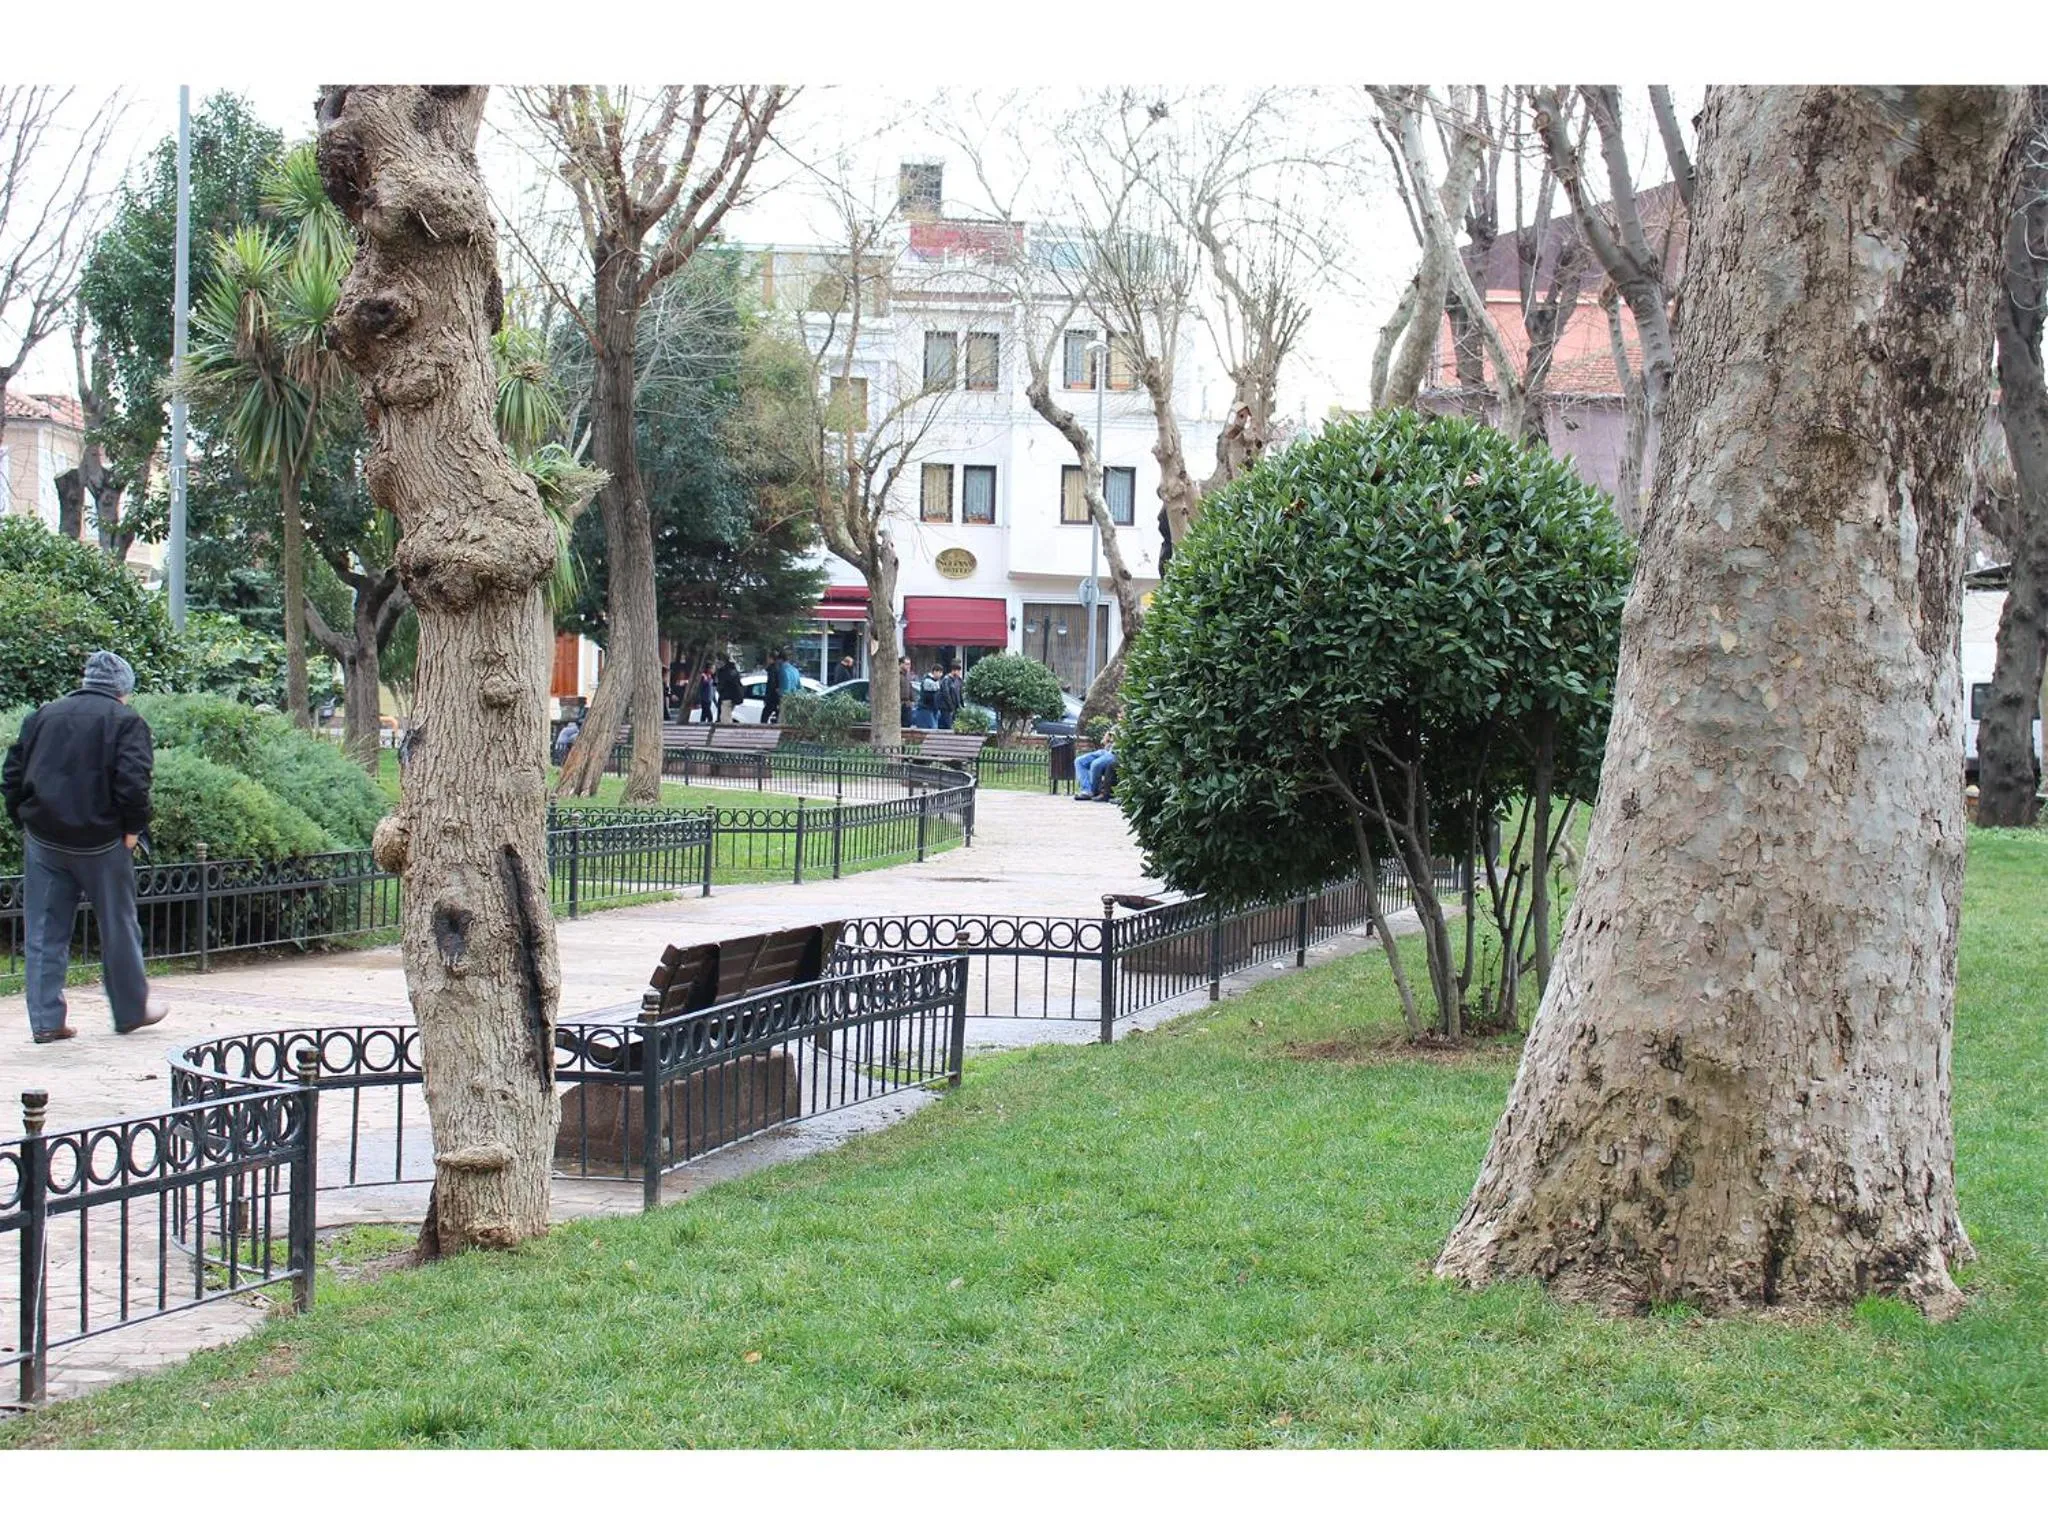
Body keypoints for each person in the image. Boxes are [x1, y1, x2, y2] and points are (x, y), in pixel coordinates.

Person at [2, 651, 169, 1043]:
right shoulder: (127, 721)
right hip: (103, 842)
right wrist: (133, 829)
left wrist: (23, 819)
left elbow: (12, 773)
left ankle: (46, 1021)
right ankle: (130, 1011)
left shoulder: (44, 715)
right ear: (123, 688)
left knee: (44, 931)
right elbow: (133, 782)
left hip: (45, 839)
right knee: (118, 927)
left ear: (86, 679)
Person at [1075, 727, 1118, 802]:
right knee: (1079, 761)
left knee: (1095, 764)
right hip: (1105, 751)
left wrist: (1116, 738)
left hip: (1115, 753)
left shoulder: (1128, 724)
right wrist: (1106, 739)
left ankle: (1093, 792)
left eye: (1121, 714)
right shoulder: (1115, 726)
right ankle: (1086, 790)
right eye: (1119, 714)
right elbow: (1104, 741)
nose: (1120, 715)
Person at [714, 656, 744, 724]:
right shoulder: (733, 670)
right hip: (732, 697)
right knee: (725, 717)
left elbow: (722, 685)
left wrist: (719, 687)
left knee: (725, 720)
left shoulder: (725, 672)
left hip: (726, 697)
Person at [913, 666, 943, 730]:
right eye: (939, 672)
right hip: (927, 709)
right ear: (934, 672)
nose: (941, 674)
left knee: (934, 728)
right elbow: (929, 697)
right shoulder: (928, 681)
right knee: (932, 729)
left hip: (933, 709)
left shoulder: (936, 681)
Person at [938, 663, 965, 731]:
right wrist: (951, 707)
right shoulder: (946, 680)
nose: (959, 673)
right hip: (947, 708)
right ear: (953, 671)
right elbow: (946, 695)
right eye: (958, 671)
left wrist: (961, 706)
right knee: (949, 727)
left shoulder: (958, 680)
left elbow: (960, 694)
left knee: (955, 726)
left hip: (955, 708)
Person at [762, 650, 784, 724]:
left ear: (771, 659)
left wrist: (767, 698)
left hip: (772, 698)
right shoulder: (780, 668)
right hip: (778, 697)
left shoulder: (772, 669)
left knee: (764, 718)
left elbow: (771, 684)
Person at [898, 658, 916, 729]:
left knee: (908, 723)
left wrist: (912, 700)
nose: (909, 666)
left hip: (907, 703)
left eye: (909, 664)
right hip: (900, 703)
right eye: (907, 664)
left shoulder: (908, 675)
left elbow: (910, 688)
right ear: (901, 664)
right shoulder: (897, 675)